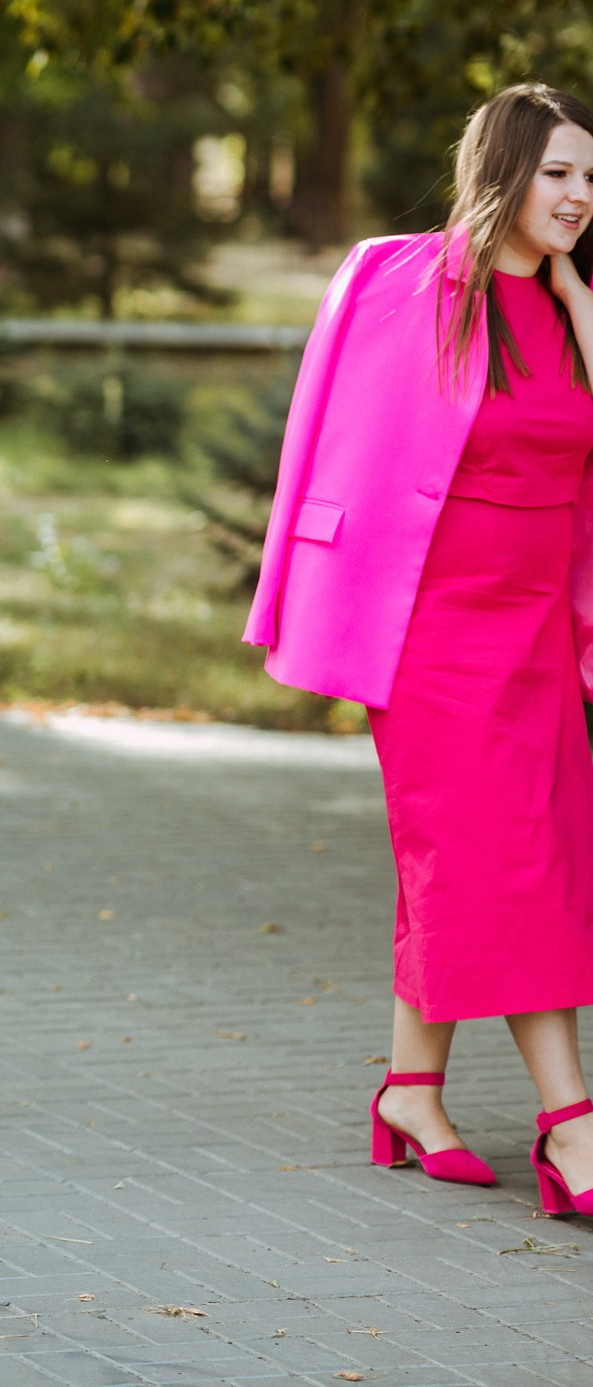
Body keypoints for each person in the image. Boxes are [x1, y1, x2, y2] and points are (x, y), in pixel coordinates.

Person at [245, 83, 593, 1213]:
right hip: (429, 629)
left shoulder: (576, 309)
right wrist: (291, 592)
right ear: (501, 172)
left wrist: (581, 306)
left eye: (589, 179)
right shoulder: (403, 284)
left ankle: (408, 1090)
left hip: (538, 627)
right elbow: (318, 438)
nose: (580, 197)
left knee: (468, 857)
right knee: (506, 859)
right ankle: (571, 1121)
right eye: (556, 175)